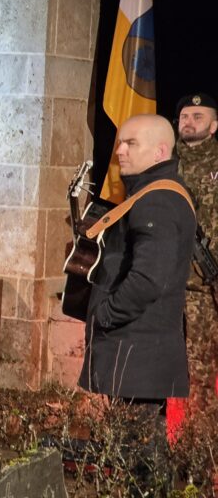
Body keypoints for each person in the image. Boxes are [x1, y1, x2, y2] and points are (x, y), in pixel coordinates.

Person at [79, 114, 195, 485]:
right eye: (120, 143)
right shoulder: (154, 195)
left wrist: (106, 315)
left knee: (142, 468)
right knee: (140, 464)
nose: (120, 152)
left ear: (160, 151)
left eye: (131, 144)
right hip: (139, 357)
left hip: (138, 355)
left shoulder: (156, 201)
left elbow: (148, 279)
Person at [174, 92, 218, 408]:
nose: (189, 122)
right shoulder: (164, 164)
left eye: (198, 116)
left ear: (213, 126)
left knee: (203, 372)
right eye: (184, 117)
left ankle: (200, 436)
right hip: (169, 286)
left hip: (206, 288)